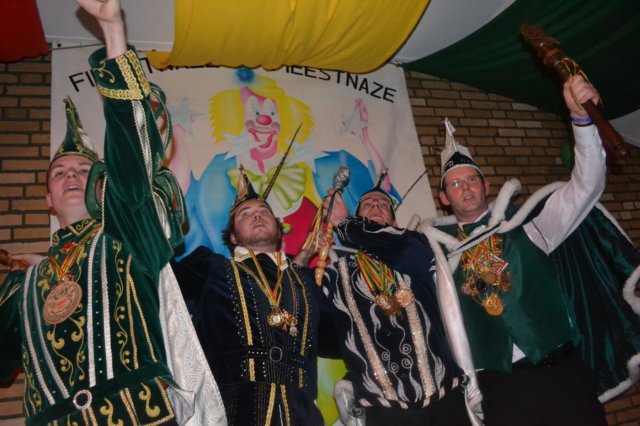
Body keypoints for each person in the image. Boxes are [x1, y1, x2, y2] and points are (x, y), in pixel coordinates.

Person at [0, 1, 225, 424]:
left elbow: (131, 156)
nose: (71, 175)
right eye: (59, 172)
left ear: (100, 183)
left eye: (83, 170)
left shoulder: (127, 231)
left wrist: (114, 32)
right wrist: (37, 277)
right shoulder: (22, 287)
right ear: (47, 198)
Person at [421, 75, 640, 425]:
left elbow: (586, 185)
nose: (466, 188)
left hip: (562, 374)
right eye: (455, 183)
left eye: (472, 179)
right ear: (444, 198)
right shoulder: (441, 262)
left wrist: (581, 121)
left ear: (486, 185)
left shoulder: (529, 226)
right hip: (503, 390)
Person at [171, 167, 338, 425]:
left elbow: (338, 340)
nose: (257, 215)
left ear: (279, 229)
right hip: (233, 413)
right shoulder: (211, 268)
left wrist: (347, 229)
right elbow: (158, 278)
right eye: (245, 213)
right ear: (233, 236)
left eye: (264, 211)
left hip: (304, 416)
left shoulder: (304, 282)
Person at [321, 173, 481, 426]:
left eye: (383, 204)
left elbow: (406, 249)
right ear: (359, 217)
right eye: (367, 204)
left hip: (444, 398)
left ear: (395, 222)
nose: (375, 206)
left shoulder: (416, 246)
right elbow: (326, 339)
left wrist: (346, 223)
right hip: (383, 410)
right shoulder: (336, 274)